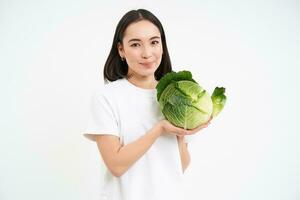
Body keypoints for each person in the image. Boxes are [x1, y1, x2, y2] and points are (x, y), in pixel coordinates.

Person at [83, 9, 211, 200]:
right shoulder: (107, 97)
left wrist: (181, 134)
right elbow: (116, 165)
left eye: (154, 42)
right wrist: (159, 129)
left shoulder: (174, 95)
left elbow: (180, 166)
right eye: (135, 44)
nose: (147, 53)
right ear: (121, 50)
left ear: (162, 45)